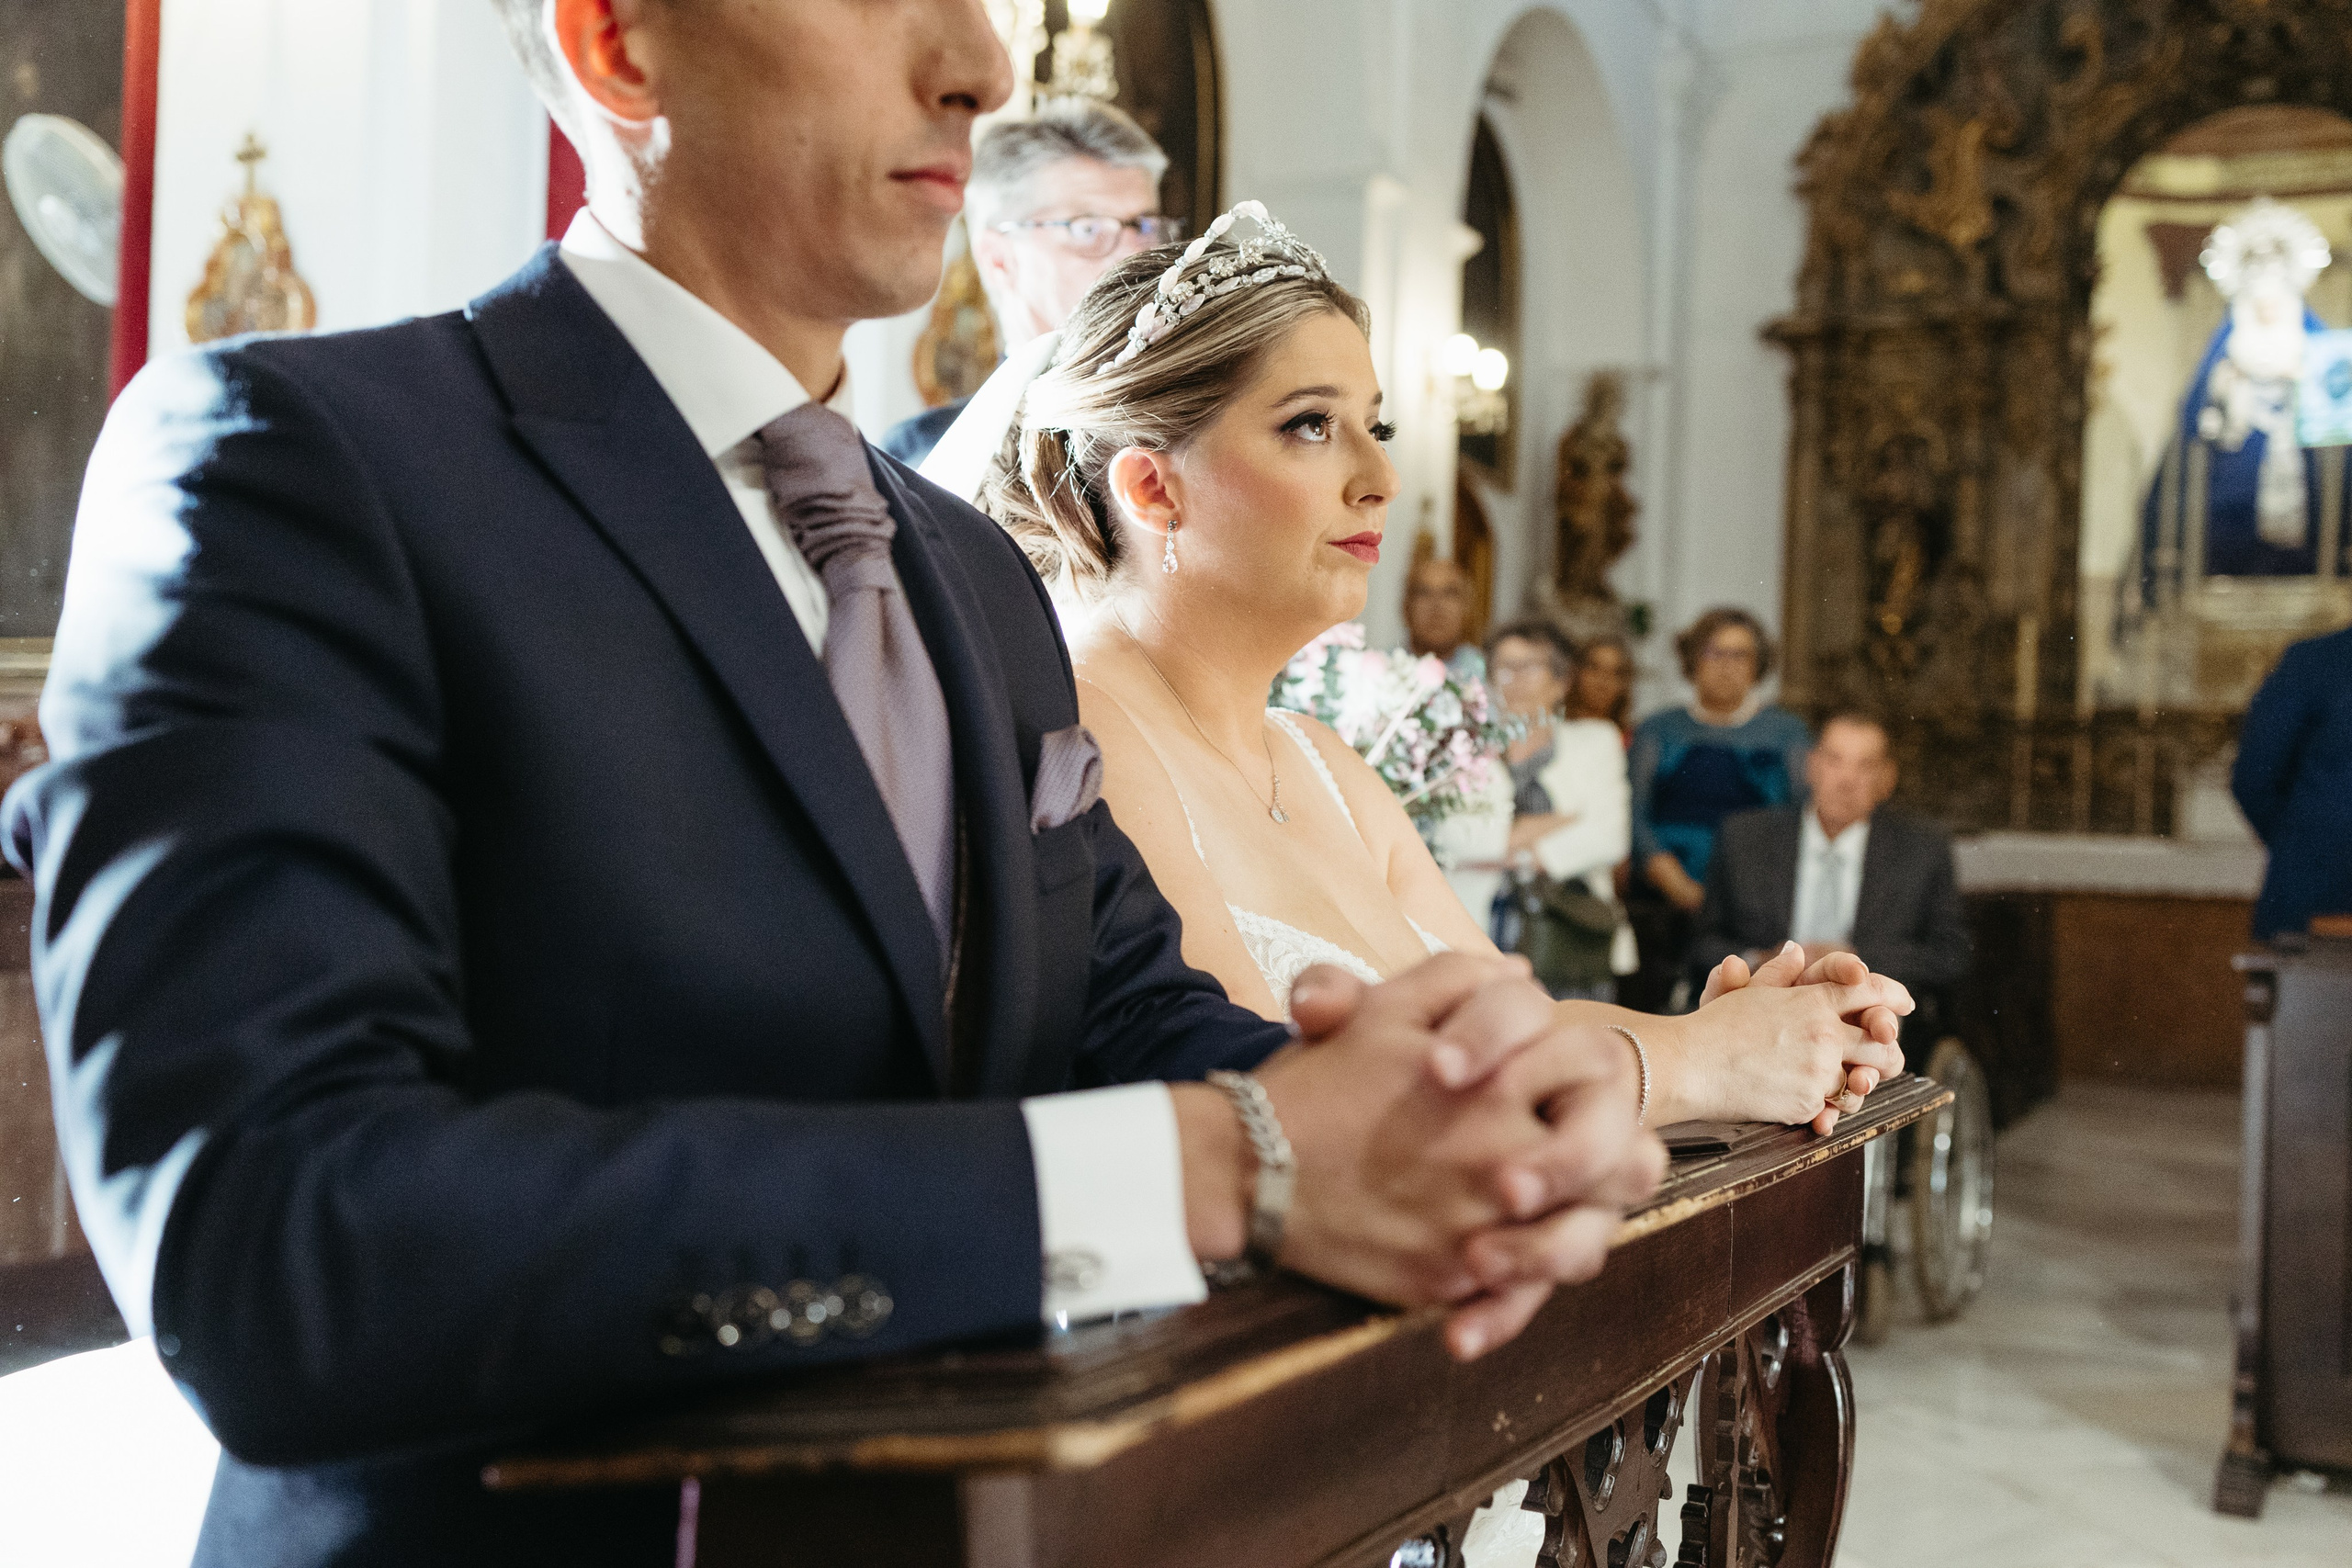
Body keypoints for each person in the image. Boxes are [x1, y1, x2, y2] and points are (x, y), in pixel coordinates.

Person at [9, 5, 1671, 1562]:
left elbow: (1132, 1010)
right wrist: (1216, 1164)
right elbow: (275, 1248)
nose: (974, 64)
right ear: (619, 35)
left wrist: (1466, 1107)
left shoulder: (970, 574)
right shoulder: (296, 464)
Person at [978, 201, 1909, 1132]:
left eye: (1373, 429)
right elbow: (1282, 1107)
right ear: (1153, 487)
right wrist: (1689, 1066)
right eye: (1309, 424)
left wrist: (1756, 1033)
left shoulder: (1319, 760)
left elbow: (1518, 1024)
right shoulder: (1085, 740)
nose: (1380, 480)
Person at [878, 96, 1176, 467]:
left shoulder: (1190, 429)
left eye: (1145, 227)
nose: (1136, 258)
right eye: (1087, 229)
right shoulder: (926, 458)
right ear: (999, 260)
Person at [1691, 708, 1971, 1056]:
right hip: (1761, 1010)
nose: (1847, 779)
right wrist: (1763, 959)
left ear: (1888, 779)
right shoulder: (1746, 839)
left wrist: (1855, 959)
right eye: (1835, 761)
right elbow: (1702, 943)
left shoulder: (1921, 850)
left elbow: (1951, 954)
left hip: (1868, 1018)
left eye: (1865, 766)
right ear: (1812, 766)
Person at [1623, 607, 1811, 1010]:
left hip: (1756, 900)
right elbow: (1634, 813)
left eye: (1740, 655)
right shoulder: (1658, 729)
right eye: (1714, 653)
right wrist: (1673, 880)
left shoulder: (1788, 733)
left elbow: (1803, 817)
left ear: (1758, 665)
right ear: (1692, 660)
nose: (1727, 667)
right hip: (1666, 893)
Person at [1485, 620, 1635, 1000]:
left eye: (1530, 667)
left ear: (1560, 682)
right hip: (1482, 936)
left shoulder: (1595, 742)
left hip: (1573, 941)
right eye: (1504, 667)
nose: (1515, 680)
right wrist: (1563, 821)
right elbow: (1456, 843)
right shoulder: (1467, 753)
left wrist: (1510, 845)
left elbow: (1609, 836)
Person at [2233, 624, 2352, 939]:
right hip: (2316, 906)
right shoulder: (2315, 662)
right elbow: (2254, 779)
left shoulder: (2313, 662)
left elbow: (2254, 778)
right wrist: (2305, 845)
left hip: (2314, 886)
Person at [1403, 555, 1486, 682]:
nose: (1437, 605)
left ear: (1466, 607)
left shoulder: (1485, 673)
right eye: (1424, 593)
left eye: (1449, 593)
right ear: (1406, 607)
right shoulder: (1379, 670)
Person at [1566, 629, 1634, 738]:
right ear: (1577, 672)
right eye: (1594, 669)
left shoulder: (1633, 741)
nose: (1602, 681)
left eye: (1613, 673)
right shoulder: (1551, 731)